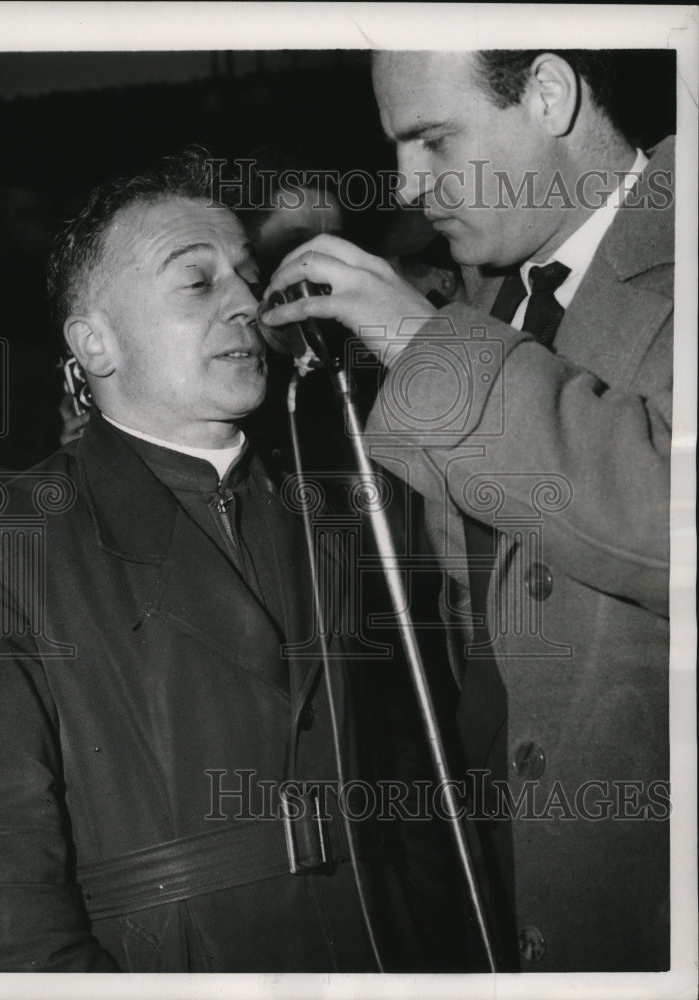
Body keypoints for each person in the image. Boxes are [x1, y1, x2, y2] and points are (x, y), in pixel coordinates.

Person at [0, 149, 457, 973]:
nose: (247, 303)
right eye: (197, 282)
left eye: (244, 276)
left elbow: (411, 788)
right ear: (96, 344)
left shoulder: (334, 511)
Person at [260, 49, 673, 972]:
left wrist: (419, 337)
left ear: (550, 93)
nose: (408, 185)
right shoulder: (494, 296)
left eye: (434, 140)